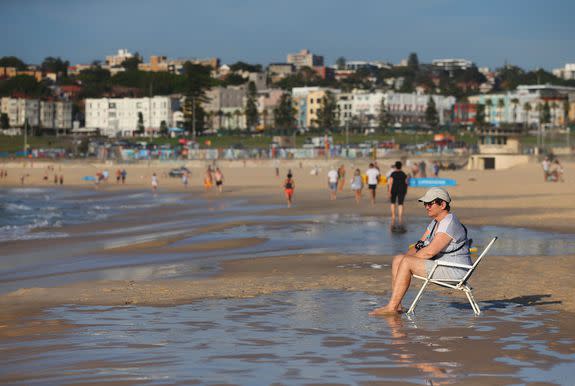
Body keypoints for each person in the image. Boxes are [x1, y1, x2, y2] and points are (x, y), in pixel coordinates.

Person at [370, 187, 471, 315]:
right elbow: (420, 244)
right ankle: (397, 305)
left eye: (430, 203)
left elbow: (429, 252)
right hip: (441, 265)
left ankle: (391, 307)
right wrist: (404, 260)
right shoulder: (435, 222)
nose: (426, 207)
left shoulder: (449, 223)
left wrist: (407, 263)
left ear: (443, 204)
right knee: (398, 259)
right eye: (425, 204)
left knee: (406, 262)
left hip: (455, 271)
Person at [388, 161, 409, 229]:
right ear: (401, 166)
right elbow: (406, 182)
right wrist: (405, 190)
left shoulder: (393, 173)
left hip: (394, 189)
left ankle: (393, 216)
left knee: (393, 202)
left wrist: (389, 191)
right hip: (401, 190)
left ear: (395, 166)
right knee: (400, 203)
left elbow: (390, 183)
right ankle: (400, 217)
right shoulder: (403, 174)